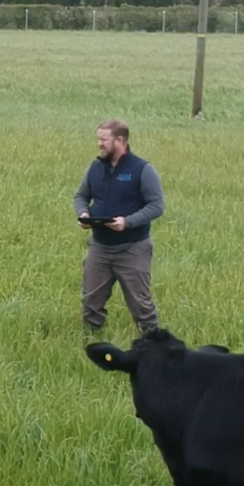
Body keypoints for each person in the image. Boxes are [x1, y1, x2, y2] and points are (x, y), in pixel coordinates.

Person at [72, 119, 165, 335]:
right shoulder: (95, 168)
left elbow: (156, 206)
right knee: (91, 300)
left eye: (104, 139)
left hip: (132, 248)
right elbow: (81, 196)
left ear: (120, 140)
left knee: (141, 304)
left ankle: (152, 343)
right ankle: (92, 340)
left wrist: (127, 222)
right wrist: (83, 214)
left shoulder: (142, 169)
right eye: (98, 139)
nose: (99, 144)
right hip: (99, 247)